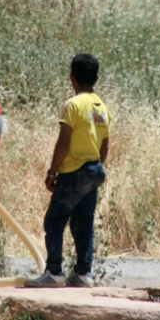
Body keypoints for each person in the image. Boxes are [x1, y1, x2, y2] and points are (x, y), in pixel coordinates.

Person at [25, 54, 111, 288]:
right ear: (97, 78)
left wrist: (52, 172)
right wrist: (96, 167)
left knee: (54, 222)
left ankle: (54, 273)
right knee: (83, 223)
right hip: (95, 170)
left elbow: (63, 142)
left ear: (72, 78)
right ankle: (84, 274)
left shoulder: (72, 105)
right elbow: (105, 145)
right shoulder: (102, 107)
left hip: (74, 171)